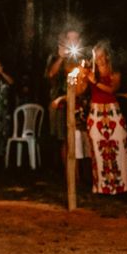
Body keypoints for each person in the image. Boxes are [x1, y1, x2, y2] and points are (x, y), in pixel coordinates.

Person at [84, 41, 127, 194]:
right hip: (96, 112)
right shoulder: (91, 71)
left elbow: (112, 89)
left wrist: (95, 82)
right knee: (98, 149)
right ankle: (101, 186)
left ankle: (122, 185)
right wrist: (81, 76)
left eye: (101, 56)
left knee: (120, 145)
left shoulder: (114, 71)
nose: (99, 59)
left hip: (112, 111)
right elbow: (81, 89)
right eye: (96, 56)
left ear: (107, 56)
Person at [46, 29, 82, 167]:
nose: (72, 41)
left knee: (80, 137)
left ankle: (82, 174)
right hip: (60, 104)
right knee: (65, 139)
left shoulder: (80, 55)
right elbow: (50, 74)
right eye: (70, 38)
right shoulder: (55, 57)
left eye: (75, 38)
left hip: (79, 102)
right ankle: (69, 174)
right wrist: (61, 58)